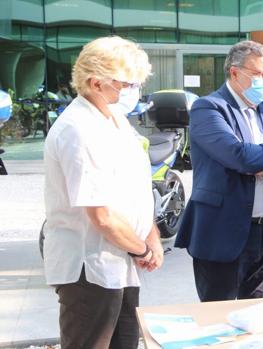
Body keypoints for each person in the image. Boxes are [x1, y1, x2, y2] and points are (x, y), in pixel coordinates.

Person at [43, 36, 163, 349]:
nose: (134, 90)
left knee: (126, 343)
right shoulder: (78, 129)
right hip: (89, 269)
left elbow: (137, 189)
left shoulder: (116, 121)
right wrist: (142, 249)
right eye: (128, 83)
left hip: (121, 262)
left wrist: (151, 236)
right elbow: (102, 215)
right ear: (97, 83)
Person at [175, 41, 263, 302]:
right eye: (259, 74)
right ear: (235, 73)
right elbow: (239, 156)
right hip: (221, 230)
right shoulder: (208, 108)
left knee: (258, 313)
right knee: (218, 316)